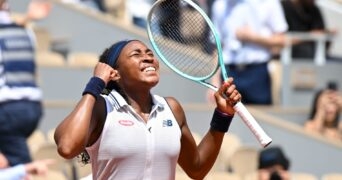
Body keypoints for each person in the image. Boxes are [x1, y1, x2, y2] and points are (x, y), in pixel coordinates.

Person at [54, 39, 242, 179]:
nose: (147, 58)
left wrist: (223, 115)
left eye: (150, 54)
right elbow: (67, 147)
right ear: (115, 73)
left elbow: (197, 169)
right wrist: (95, 84)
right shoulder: (101, 107)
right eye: (136, 55)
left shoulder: (172, 108)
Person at [207, 0, 288, 105]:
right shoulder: (220, 5)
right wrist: (214, 82)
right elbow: (218, 47)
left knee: (259, 119)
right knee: (227, 117)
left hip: (257, 73)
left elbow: (281, 40)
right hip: (228, 72)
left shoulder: (269, 3)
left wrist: (253, 38)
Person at [0, 0, 48, 166]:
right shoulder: (26, 33)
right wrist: (28, 17)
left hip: (7, 109)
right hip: (32, 107)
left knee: (19, 165)